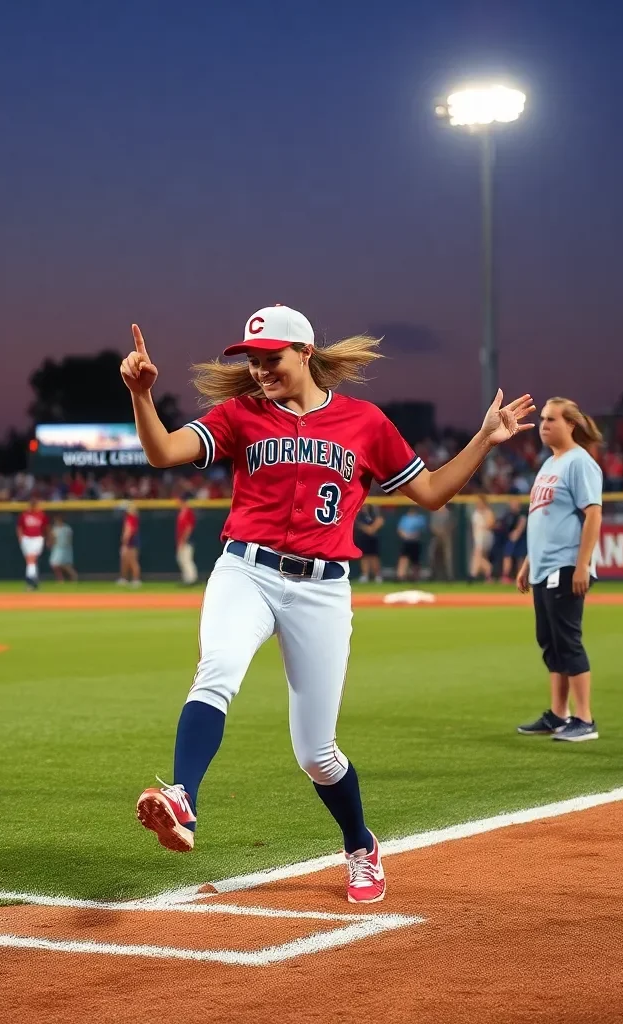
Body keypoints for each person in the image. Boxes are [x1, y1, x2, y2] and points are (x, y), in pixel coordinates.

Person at [120, 304, 533, 903]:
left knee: (316, 753)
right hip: (246, 570)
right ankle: (183, 796)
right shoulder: (239, 416)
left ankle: (360, 845)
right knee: (216, 672)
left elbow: (433, 493)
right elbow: (162, 453)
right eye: (253, 361)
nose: (261, 370)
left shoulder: (364, 422)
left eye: (272, 359)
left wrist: (485, 440)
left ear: (305, 353)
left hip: (321, 588)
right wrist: (141, 397)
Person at [515, 399, 604, 742]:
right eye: (542, 419)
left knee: (568, 641)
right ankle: (558, 714)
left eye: (551, 419)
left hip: (566, 565)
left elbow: (593, 514)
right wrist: (527, 562)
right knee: (550, 643)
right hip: (543, 566)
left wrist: (582, 564)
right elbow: (542, 520)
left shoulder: (579, 462)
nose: (543, 424)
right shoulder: (550, 463)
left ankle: (585, 719)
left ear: (571, 424)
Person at [16, 496, 48, 590]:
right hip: (26, 538)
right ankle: (34, 582)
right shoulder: (24, 515)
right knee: (30, 561)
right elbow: (19, 527)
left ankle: (30, 581)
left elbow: (46, 527)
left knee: (31, 560)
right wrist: (20, 537)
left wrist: (46, 538)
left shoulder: (41, 515)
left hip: (37, 538)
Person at [498, 497, 527, 583]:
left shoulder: (522, 514)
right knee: (507, 556)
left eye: (515, 503)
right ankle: (506, 576)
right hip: (510, 539)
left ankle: (521, 576)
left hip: (521, 539)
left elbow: (522, 524)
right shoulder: (508, 514)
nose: (513, 505)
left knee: (520, 558)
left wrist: (517, 533)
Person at [353, 503, 385, 582]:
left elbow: (379, 522)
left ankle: (377, 576)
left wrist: (371, 528)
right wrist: (369, 529)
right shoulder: (359, 515)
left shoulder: (374, 513)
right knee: (364, 557)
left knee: (374, 557)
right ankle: (365, 575)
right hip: (363, 538)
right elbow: (365, 528)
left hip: (373, 539)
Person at [396, 506, 428, 581]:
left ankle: (415, 577)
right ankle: (401, 576)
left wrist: (414, 534)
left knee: (415, 561)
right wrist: (405, 535)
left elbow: (421, 530)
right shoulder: (405, 518)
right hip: (406, 541)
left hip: (415, 541)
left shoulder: (420, 518)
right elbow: (400, 529)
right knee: (403, 558)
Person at [468, 495, 495, 582]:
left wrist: (483, 526)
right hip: (477, 537)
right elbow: (474, 526)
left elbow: (491, 524)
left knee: (477, 556)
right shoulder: (476, 512)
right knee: (480, 556)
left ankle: (473, 575)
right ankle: (488, 574)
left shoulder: (488, 512)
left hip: (485, 536)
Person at [176, 494, 198, 585]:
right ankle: (186, 579)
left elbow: (189, 527)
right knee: (181, 559)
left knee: (187, 559)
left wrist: (184, 539)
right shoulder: (182, 512)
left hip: (187, 540)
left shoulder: (188, 511)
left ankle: (192, 579)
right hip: (181, 539)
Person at [48, 513, 77, 582]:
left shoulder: (67, 528)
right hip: (57, 548)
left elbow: (70, 539)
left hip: (65, 548)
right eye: (55, 520)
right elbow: (52, 538)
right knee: (54, 565)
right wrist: (50, 544)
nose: (56, 521)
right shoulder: (54, 529)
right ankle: (60, 579)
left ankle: (74, 576)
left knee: (65, 565)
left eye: (57, 520)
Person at [428, 504, 455, 580]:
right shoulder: (434, 513)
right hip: (436, 536)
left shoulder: (448, 513)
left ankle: (449, 576)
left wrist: (445, 532)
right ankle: (433, 574)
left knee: (448, 556)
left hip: (446, 536)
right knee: (432, 555)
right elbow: (432, 526)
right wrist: (438, 532)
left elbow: (452, 524)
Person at [119, 503, 141, 586]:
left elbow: (128, 531)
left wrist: (124, 542)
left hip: (131, 542)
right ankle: (124, 579)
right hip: (132, 541)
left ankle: (136, 580)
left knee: (132, 561)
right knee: (125, 561)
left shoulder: (130, 518)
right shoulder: (133, 518)